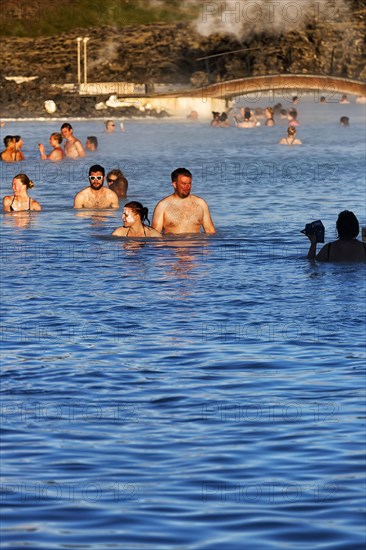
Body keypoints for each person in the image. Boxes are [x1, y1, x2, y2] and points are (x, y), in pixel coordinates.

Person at [152, 168, 216, 235]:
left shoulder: (201, 204)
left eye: (189, 183)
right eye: (184, 183)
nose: (187, 187)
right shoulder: (162, 206)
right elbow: (155, 235)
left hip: (196, 245)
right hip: (172, 245)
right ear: (174, 184)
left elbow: (210, 231)